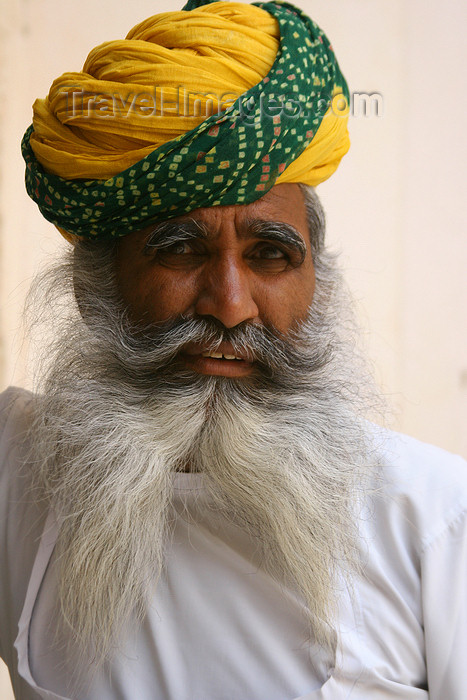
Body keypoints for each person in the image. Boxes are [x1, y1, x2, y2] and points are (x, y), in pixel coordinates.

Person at [1, 1, 466, 698]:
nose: (229, 304)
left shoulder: (432, 519)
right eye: (179, 249)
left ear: (319, 285)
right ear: (93, 290)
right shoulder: (16, 473)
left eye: (270, 255)